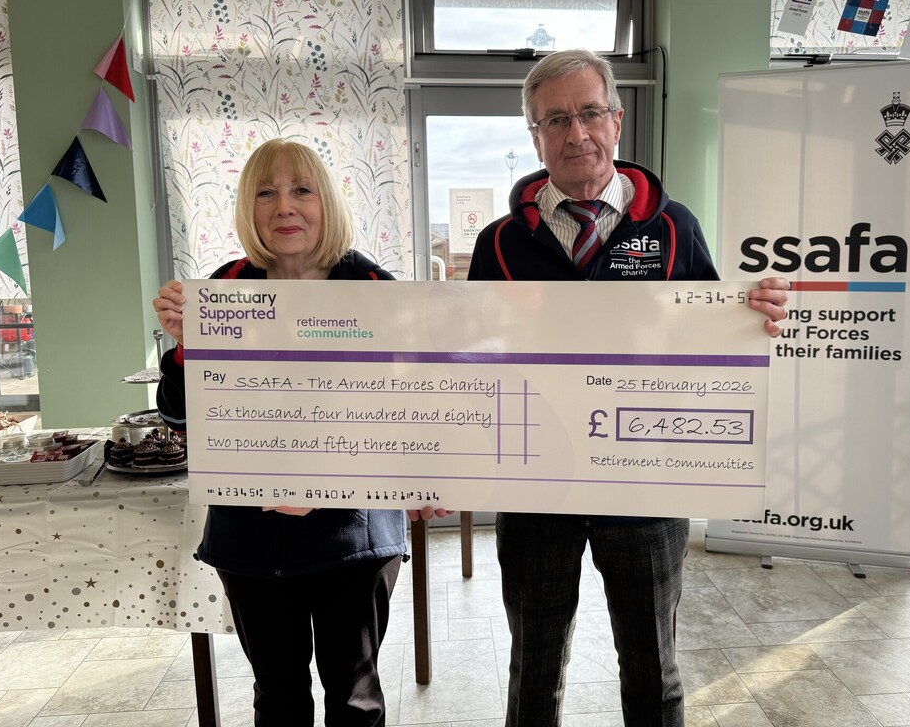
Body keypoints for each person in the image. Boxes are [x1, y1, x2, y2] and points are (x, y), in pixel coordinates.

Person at [467, 49, 790, 726]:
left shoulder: (676, 229)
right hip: (536, 486)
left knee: (653, 669)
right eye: (554, 119)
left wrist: (751, 314)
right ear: (534, 136)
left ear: (615, 120)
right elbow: (478, 360)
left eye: (588, 113)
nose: (574, 132)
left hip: (646, 483)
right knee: (533, 668)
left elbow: (710, 342)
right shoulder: (497, 244)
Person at [153, 138, 444, 726]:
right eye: (267, 192)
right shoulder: (223, 290)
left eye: (301, 190)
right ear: (249, 209)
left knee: (356, 697)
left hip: (351, 538)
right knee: (277, 697)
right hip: (250, 540)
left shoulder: (376, 290)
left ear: (326, 203)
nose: (284, 206)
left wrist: (425, 474)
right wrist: (187, 347)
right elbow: (182, 419)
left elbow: (417, 407)